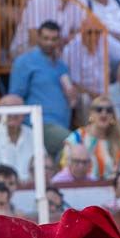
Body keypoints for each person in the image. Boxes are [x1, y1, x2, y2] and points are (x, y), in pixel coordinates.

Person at [9, 21, 76, 156]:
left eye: (54, 39)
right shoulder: (25, 62)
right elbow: (14, 97)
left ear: (59, 40)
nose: (49, 43)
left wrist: (73, 97)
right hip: (39, 124)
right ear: (38, 38)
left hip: (62, 124)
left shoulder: (62, 66)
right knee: (74, 143)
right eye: (46, 38)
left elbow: (71, 100)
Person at [60, 95, 120, 181]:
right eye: (99, 109)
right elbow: (66, 167)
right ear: (91, 113)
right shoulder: (77, 137)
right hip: (83, 186)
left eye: (108, 110)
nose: (104, 113)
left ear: (113, 115)